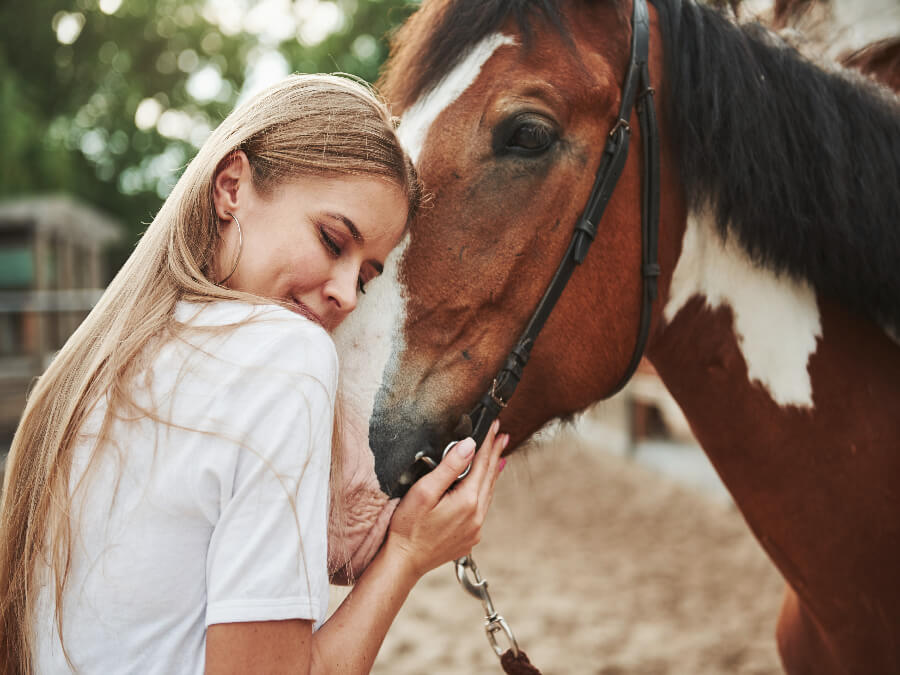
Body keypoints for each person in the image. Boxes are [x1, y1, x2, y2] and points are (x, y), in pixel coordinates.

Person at [0, 74, 507, 674]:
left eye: (366, 276)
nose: (346, 294)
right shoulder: (287, 355)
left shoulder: (91, 372)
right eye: (331, 239)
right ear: (231, 187)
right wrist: (407, 552)